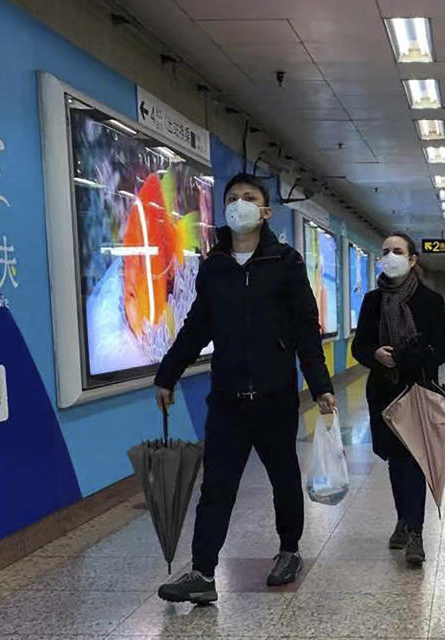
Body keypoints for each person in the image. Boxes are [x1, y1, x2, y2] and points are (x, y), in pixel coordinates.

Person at [153, 173, 337, 604]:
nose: (239, 204)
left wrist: (322, 386)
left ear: (266, 212)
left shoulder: (285, 263)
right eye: (232, 198)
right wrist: (168, 373)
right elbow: (197, 327)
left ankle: (289, 549)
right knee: (216, 485)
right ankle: (202, 572)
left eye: (249, 198)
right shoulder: (214, 266)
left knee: (283, 478)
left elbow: (306, 332)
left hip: (275, 397)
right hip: (227, 399)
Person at [352, 233, 445, 566]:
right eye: (385, 251)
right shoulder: (372, 301)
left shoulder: (430, 301)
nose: (390, 256)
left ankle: (416, 533)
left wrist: (410, 357)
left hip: (418, 391)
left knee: (413, 463)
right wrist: (375, 355)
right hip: (383, 392)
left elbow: (444, 349)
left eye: (398, 251)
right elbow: (360, 346)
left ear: (412, 260)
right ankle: (402, 519)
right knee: (395, 462)